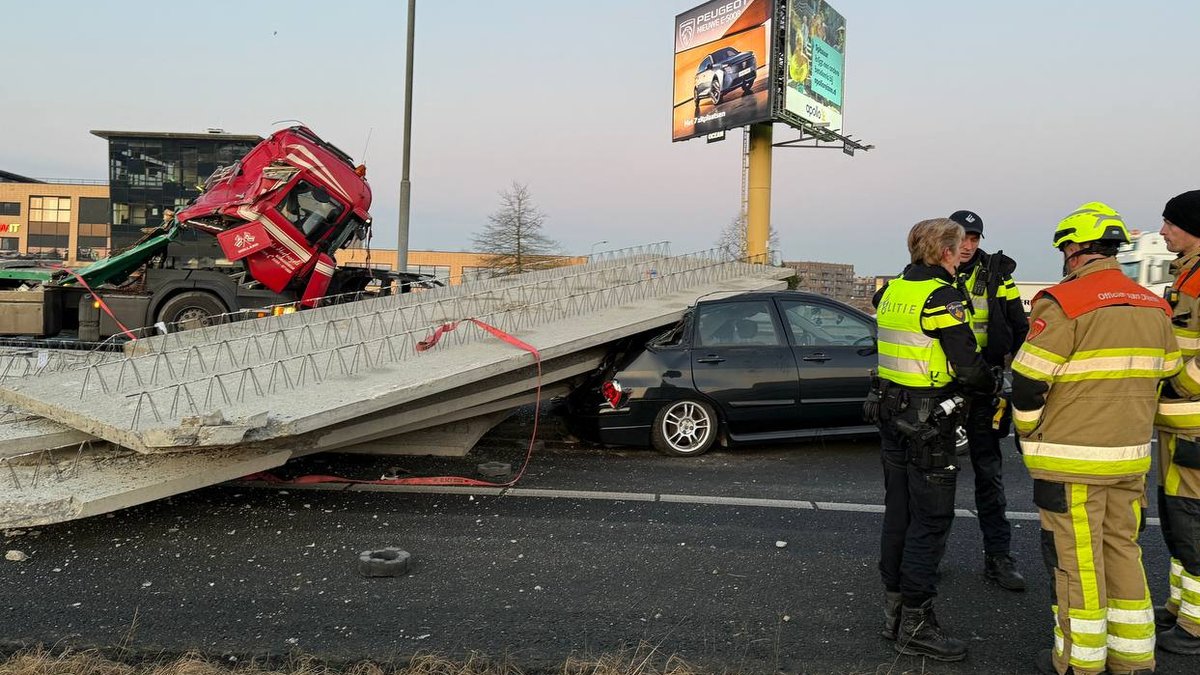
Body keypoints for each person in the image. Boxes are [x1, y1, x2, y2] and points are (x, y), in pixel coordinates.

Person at [1011, 202, 1179, 675]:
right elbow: (1168, 372)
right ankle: (1133, 659)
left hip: (1070, 460)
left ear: (1076, 249)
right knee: (1124, 551)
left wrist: (1027, 432)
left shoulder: (1066, 301)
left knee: (1077, 562)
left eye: (1065, 248)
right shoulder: (1154, 305)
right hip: (1129, 458)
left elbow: (1027, 380)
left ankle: (1077, 664)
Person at [868, 218, 996, 662]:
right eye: (958, 246)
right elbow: (968, 363)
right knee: (932, 520)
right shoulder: (941, 296)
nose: (963, 253)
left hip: (890, 414)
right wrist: (990, 383)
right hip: (928, 422)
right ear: (945, 252)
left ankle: (894, 613)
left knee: (899, 515)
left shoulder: (891, 292)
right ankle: (917, 624)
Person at [949, 209, 1029, 592]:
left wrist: (997, 366)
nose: (967, 245)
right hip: (943, 386)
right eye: (962, 236)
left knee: (989, 475)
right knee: (934, 476)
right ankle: (926, 558)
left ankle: (998, 558)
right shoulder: (931, 270)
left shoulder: (997, 275)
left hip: (984, 386)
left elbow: (1019, 325)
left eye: (974, 238)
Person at [1150, 189, 1200, 655]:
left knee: (1192, 518)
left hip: (1194, 422)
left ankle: (1196, 627)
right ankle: (1181, 608)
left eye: (1170, 223)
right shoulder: (1187, 273)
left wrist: (1178, 383)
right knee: (1176, 515)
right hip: (1178, 422)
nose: (1163, 232)